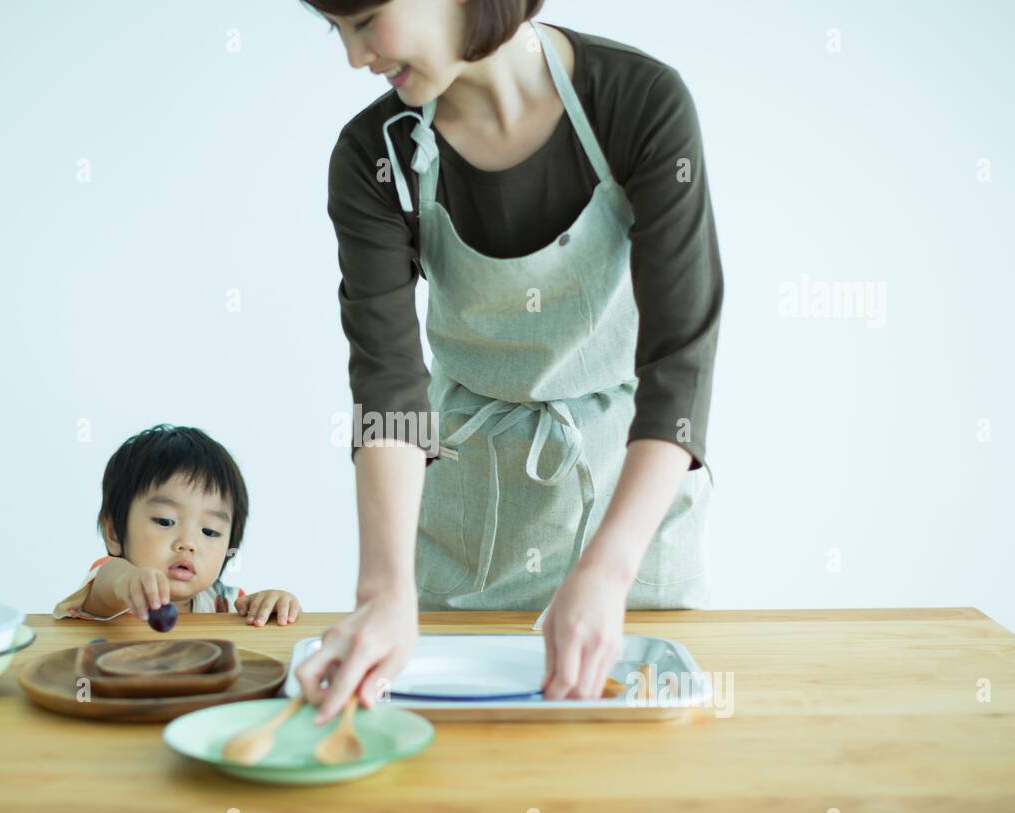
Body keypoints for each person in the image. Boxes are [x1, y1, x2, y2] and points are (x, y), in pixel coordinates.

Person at [298, 0, 723, 723]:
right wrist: (384, 593)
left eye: (365, 20)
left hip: (631, 526)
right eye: (333, 29)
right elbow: (390, 386)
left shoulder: (640, 102)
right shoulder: (374, 154)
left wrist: (608, 571)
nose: (353, 57)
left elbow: (679, 366)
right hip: (469, 526)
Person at [53, 424, 302, 628]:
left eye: (210, 531)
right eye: (165, 521)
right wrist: (130, 581)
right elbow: (110, 579)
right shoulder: (115, 588)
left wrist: (274, 605)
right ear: (114, 532)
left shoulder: (224, 604)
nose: (188, 543)